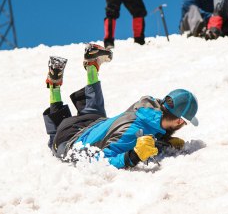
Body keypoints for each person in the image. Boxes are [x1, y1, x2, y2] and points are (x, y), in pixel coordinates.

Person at [43, 44, 199, 169]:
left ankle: (92, 66)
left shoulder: (148, 107)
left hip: (94, 123)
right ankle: (54, 87)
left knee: (96, 112)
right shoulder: (131, 131)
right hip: (69, 139)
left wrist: (165, 142)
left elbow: (148, 131)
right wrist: (133, 156)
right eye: (185, 122)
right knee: (56, 140)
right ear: (179, 121)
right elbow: (102, 160)